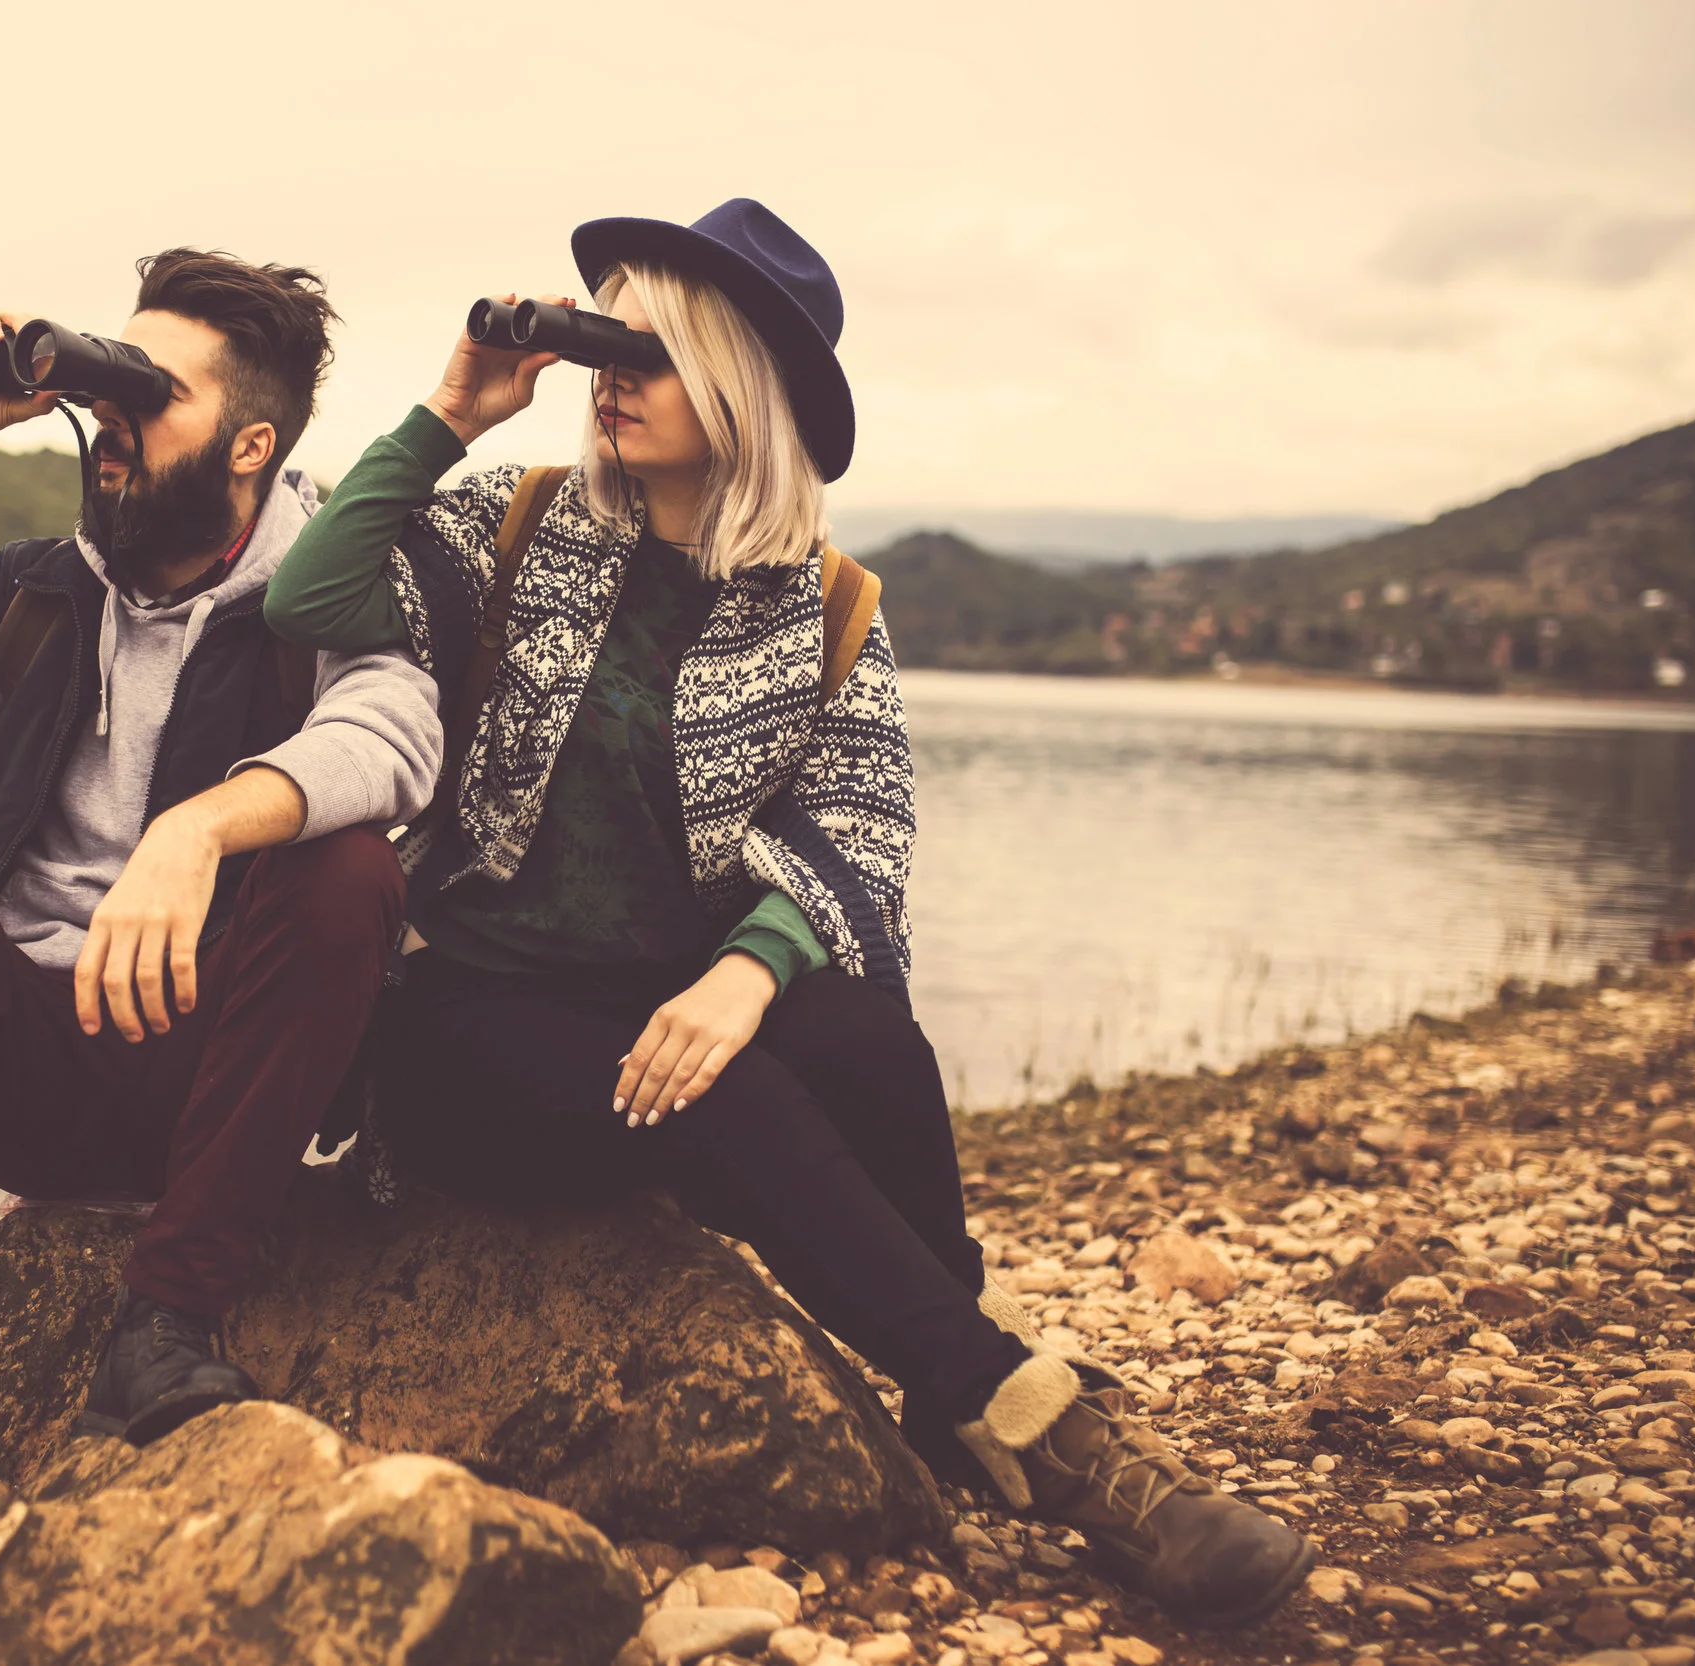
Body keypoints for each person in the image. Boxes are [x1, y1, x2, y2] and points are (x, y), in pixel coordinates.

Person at [263, 201, 1313, 1626]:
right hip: (464, 1030)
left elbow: (856, 827)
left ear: (742, 387)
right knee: (724, 1096)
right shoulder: (507, 524)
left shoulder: (823, 601)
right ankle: (1055, 1447)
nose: (610, 375)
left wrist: (749, 970)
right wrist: (452, 408)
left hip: (656, 1009)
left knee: (869, 1040)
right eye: (603, 344)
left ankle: (958, 1385)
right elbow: (308, 589)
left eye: (655, 351)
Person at [0, 250, 440, 1446]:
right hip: (28, 1078)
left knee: (349, 871)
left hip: (213, 1080)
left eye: (153, 394)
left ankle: (165, 1325)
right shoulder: (34, 595)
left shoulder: (332, 600)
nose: (111, 415)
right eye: (111, 379)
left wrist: (198, 827)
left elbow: (395, 739)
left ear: (251, 445)